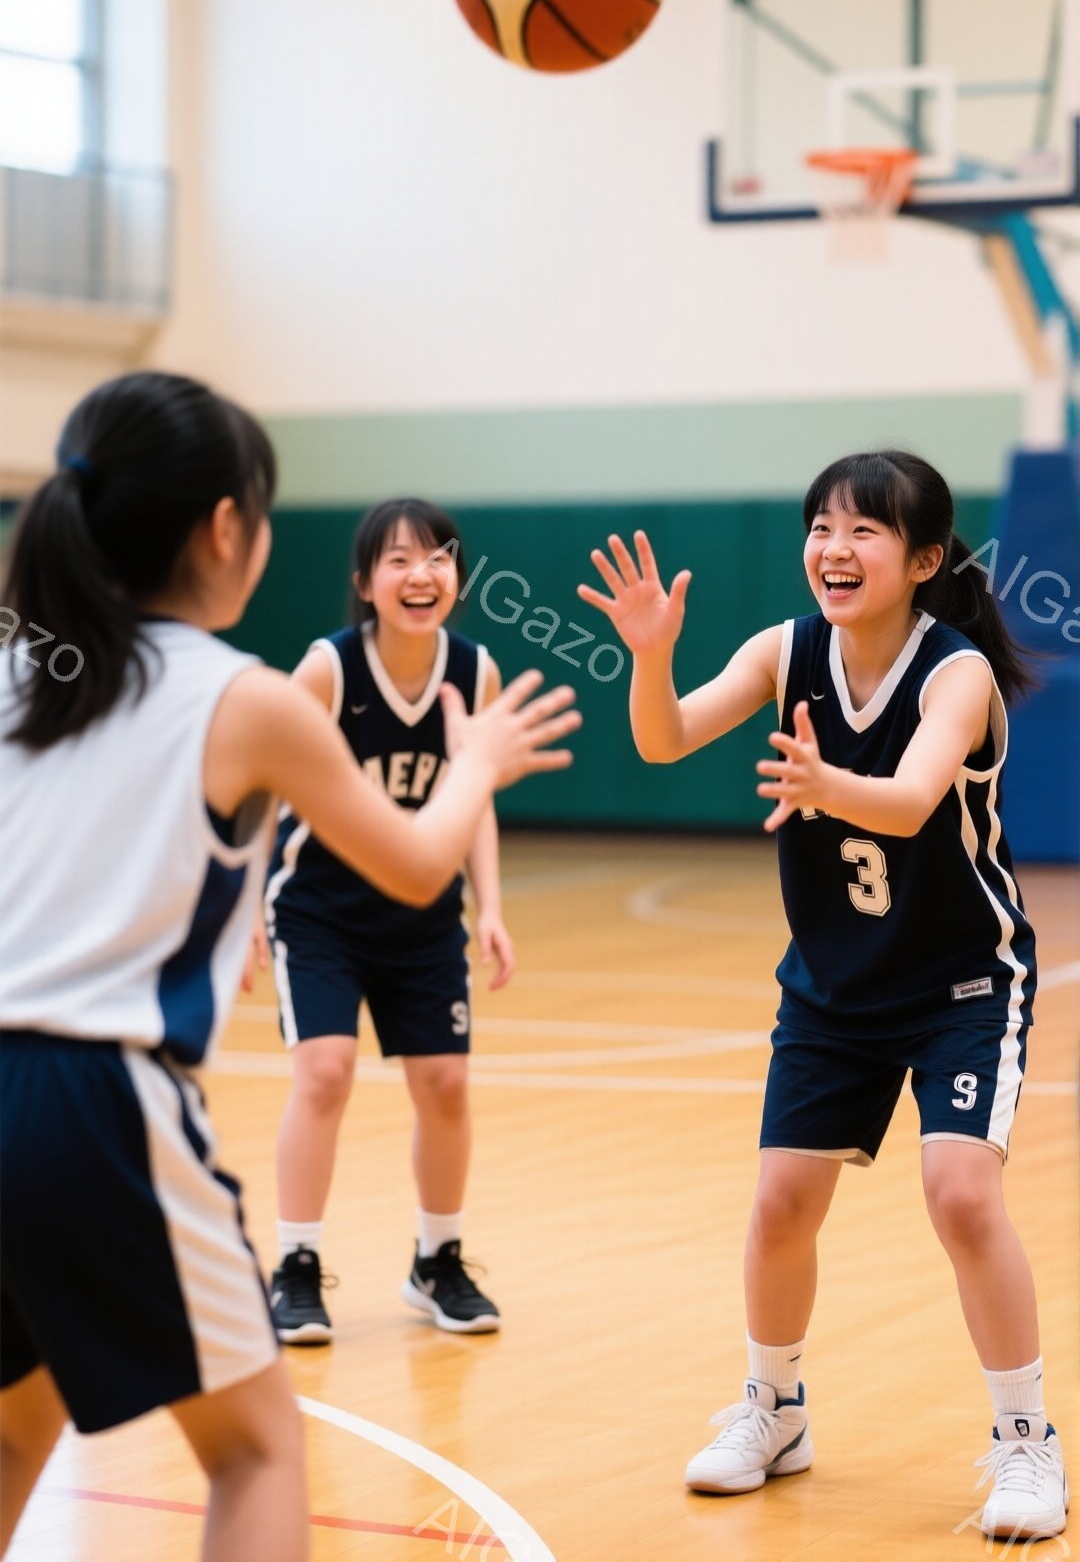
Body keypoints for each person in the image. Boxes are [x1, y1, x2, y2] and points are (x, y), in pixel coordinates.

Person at [0, 373, 580, 1562]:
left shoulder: (20, 669)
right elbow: (417, 864)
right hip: (89, 1100)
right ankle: (313, 1261)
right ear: (227, 531)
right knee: (260, 1448)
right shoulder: (248, 695)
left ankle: (431, 1254)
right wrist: (481, 762)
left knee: (17, 1425)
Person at [577, 448, 1067, 1543]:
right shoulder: (782, 649)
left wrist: (820, 783)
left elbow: (902, 801)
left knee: (961, 1194)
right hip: (835, 991)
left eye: (864, 531)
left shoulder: (958, 675)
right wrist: (650, 658)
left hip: (963, 983)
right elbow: (660, 743)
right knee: (779, 1206)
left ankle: (1027, 1440)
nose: (833, 551)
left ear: (925, 558)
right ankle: (775, 1408)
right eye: (819, 528)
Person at [265, 499, 512, 1344]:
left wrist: (491, 907)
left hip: (423, 915)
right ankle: (295, 1264)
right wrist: (235, 911)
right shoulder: (326, 670)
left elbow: (472, 799)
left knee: (444, 1085)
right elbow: (264, 783)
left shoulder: (473, 671)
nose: (422, 574)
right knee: (325, 1070)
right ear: (366, 583)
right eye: (400, 560)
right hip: (320, 910)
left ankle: (436, 1260)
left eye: (439, 557)